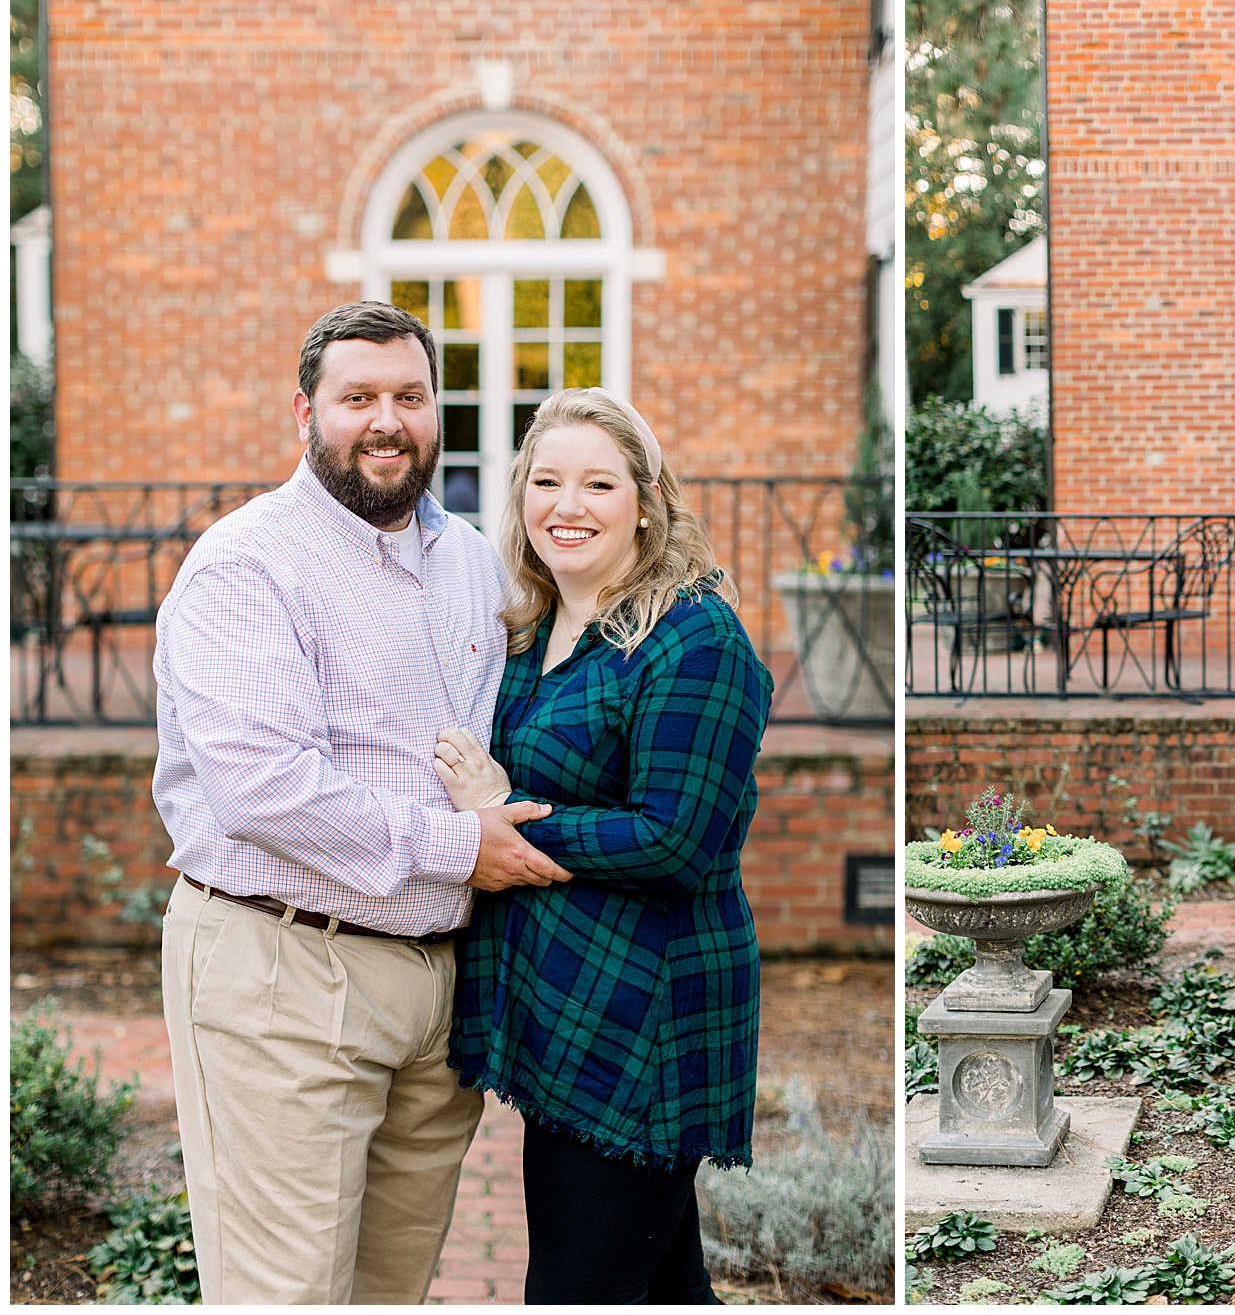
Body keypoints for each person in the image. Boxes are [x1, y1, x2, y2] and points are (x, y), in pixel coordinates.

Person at [153, 300, 574, 1303]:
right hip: (285, 970)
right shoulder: (248, 563)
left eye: (410, 396)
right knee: (286, 1295)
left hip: (439, 996)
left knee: (391, 1291)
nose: (386, 420)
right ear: (306, 410)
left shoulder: (476, 560)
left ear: (439, 410)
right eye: (358, 398)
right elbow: (263, 787)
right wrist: (457, 844)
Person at [431, 387, 772, 1305]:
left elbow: (679, 839)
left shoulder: (694, 637)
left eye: (597, 484)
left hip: (645, 1019)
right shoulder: (535, 628)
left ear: (647, 502)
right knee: (661, 1286)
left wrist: (510, 812)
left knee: (577, 1291)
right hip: (566, 1006)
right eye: (545, 481)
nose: (566, 507)